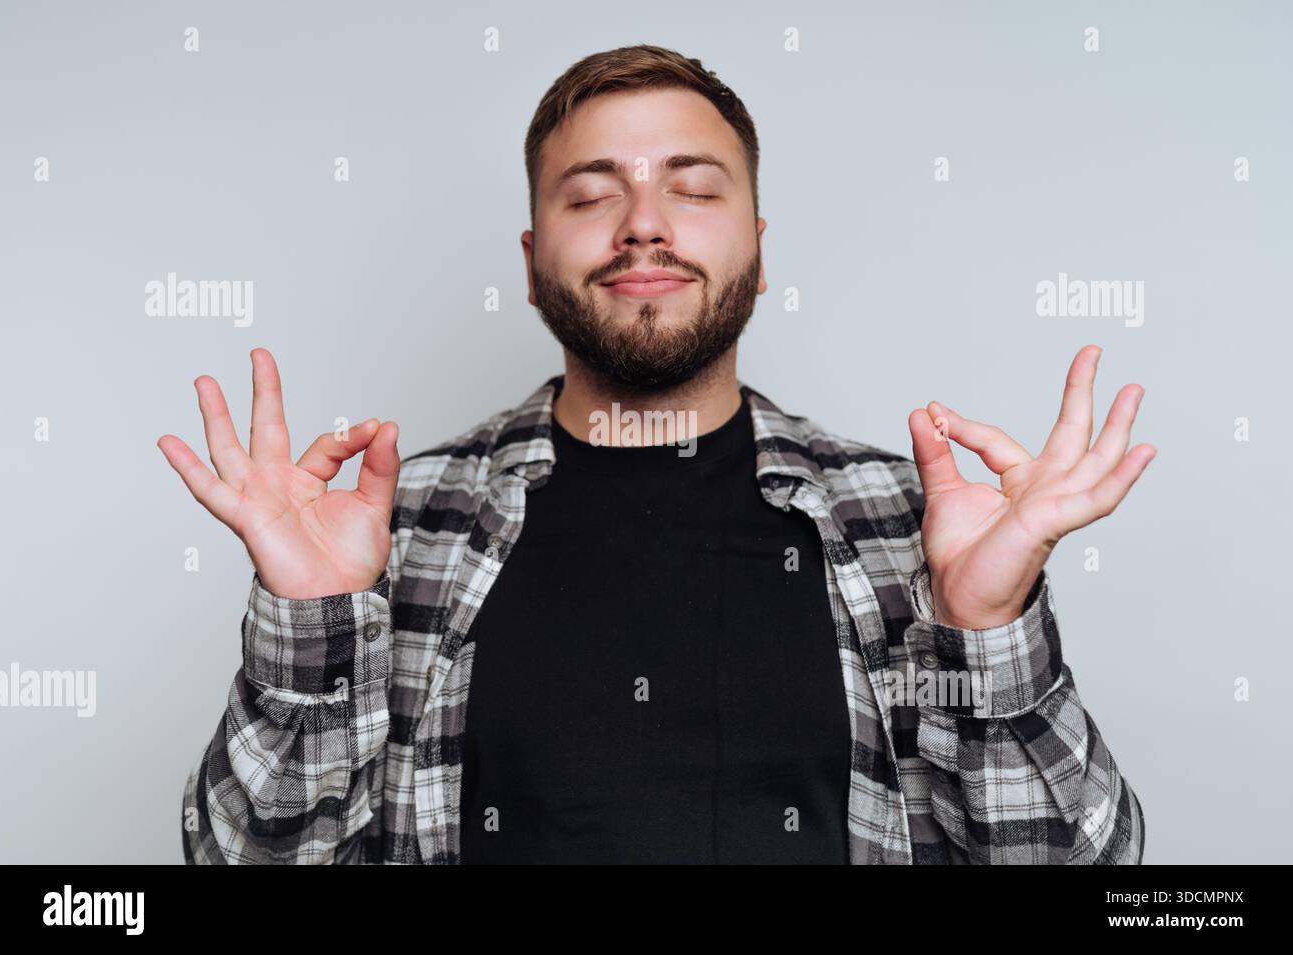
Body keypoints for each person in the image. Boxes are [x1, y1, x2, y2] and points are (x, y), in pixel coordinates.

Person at [160, 44, 1151, 864]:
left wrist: (986, 631)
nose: (643, 224)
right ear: (533, 261)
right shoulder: (397, 529)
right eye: (591, 196)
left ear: (758, 256)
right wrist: (307, 628)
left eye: (692, 188)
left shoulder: (903, 524)